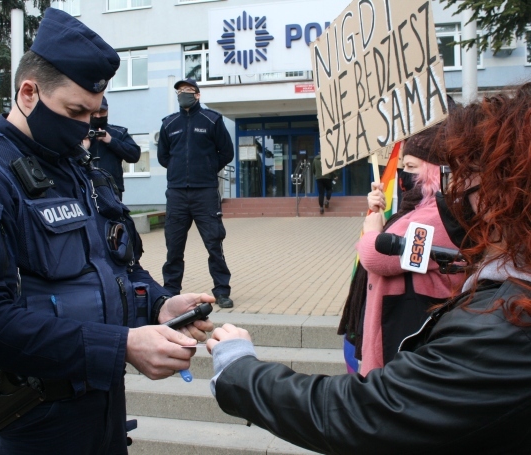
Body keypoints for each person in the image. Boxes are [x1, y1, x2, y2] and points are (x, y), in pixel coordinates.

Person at [205, 85, 531, 454]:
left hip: (400, 322)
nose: (459, 185)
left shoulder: (506, 325)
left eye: (471, 171)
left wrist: (240, 371)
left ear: (506, 190)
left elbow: (369, 413)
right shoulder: (502, 300)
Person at [0, 8, 214, 454]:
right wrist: (121, 346)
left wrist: (161, 304)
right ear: (28, 93)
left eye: (91, 113)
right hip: (37, 423)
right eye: (74, 110)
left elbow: (118, 267)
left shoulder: (81, 169)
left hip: (105, 409)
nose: (85, 126)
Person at [338, 126, 464, 375]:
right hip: (397, 327)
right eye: (404, 166)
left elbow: (378, 256)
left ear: (435, 170)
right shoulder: (419, 209)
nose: (404, 175)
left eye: (412, 167)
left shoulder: (437, 215)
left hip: (405, 330)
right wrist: (377, 214)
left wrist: (372, 232)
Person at [157, 78, 235, 309]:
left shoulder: (212, 119)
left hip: (205, 193)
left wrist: (208, 168)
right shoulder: (169, 124)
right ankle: (171, 291)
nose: (183, 95)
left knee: (214, 243)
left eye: (188, 91)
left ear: (198, 95)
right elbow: (163, 157)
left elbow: (226, 152)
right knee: (174, 247)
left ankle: (222, 290)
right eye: (180, 92)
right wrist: (177, 171)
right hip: (177, 193)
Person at [87, 96, 141, 201]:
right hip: (86, 187)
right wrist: (83, 147)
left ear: (107, 110)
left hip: (112, 189)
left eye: (102, 112)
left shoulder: (118, 132)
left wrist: (111, 141)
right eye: (94, 112)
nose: (98, 116)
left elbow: (134, 155)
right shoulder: (79, 132)